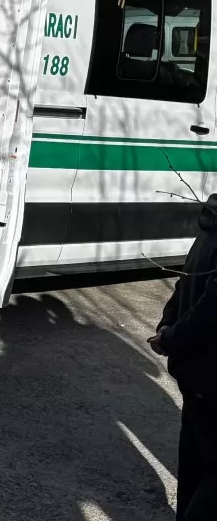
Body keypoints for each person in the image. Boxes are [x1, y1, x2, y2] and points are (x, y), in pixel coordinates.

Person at [150, 195, 217, 520]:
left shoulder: (211, 218)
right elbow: (211, 310)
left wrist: (168, 329)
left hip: (196, 376)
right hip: (211, 377)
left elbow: (186, 282)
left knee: (193, 465)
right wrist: (172, 336)